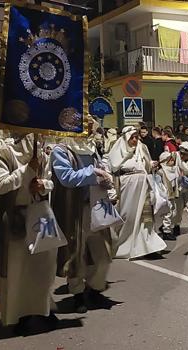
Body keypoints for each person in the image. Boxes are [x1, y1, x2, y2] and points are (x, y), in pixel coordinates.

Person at [0, 134, 57, 332]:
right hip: (16, 218)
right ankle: (18, 315)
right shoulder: (4, 154)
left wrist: (43, 185)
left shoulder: (43, 157)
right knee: (17, 270)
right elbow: (1, 186)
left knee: (43, 268)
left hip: (40, 215)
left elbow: (50, 182)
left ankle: (42, 310)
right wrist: (26, 169)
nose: (39, 141)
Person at [51, 121, 114, 314]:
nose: (88, 132)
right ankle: (77, 293)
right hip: (74, 209)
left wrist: (106, 179)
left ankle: (95, 288)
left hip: (96, 205)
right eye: (85, 127)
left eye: (90, 128)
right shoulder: (61, 150)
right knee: (75, 254)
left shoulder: (91, 149)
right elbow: (67, 178)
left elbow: (101, 170)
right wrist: (93, 173)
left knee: (104, 252)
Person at [109, 126, 167, 259]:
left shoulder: (142, 148)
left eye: (136, 137)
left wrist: (152, 164)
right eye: (132, 137)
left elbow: (146, 164)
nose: (135, 140)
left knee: (145, 217)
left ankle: (148, 247)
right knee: (127, 215)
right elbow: (113, 167)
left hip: (143, 185)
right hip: (127, 187)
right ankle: (122, 245)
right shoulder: (118, 150)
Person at [157, 151, 180, 241]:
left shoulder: (174, 169)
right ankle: (166, 231)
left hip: (173, 195)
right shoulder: (161, 172)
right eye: (170, 160)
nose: (172, 161)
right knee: (168, 213)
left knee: (173, 213)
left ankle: (164, 226)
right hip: (166, 196)